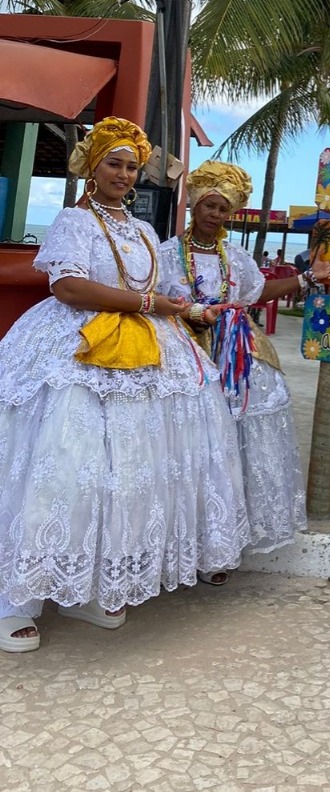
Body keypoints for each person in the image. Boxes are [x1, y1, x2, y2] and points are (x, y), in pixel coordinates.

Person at [0, 117, 250, 653]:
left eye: (132, 166)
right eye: (113, 162)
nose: (124, 173)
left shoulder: (140, 230)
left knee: (121, 473)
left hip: (145, 346)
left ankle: (85, 587)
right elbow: (67, 287)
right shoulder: (73, 220)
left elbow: (156, 287)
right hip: (78, 344)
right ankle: (13, 599)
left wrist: (181, 311)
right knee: (64, 468)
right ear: (93, 166)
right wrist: (148, 305)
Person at [158, 161, 330, 575]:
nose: (216, 215)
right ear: (193, 205)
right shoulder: (167, 255)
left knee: (239, 447)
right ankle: (184, 541)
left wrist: (307, 279)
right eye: (209, 205)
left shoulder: (236, 256)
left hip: (239, 355)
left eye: (224, 209)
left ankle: (224, 543)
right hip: (187, 353)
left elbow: (258, 292)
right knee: (195, 447)